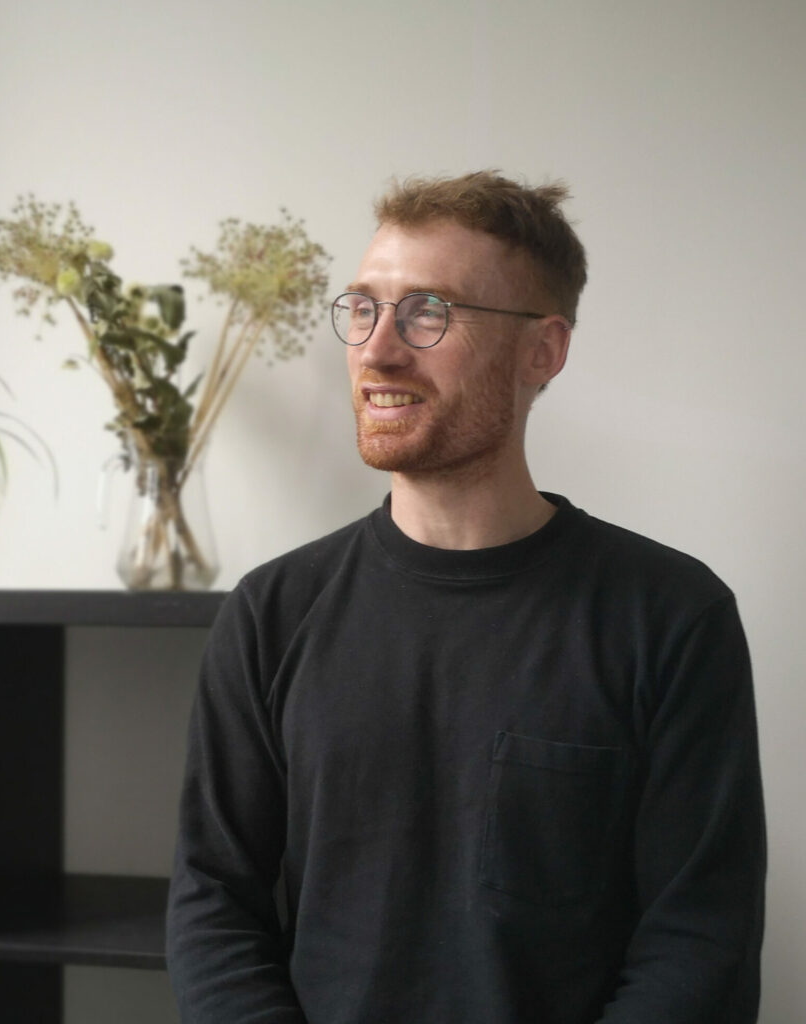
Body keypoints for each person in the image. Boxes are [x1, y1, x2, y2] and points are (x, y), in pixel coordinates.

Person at [165, 171, 766, 1023]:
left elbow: (700, 937)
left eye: (427, 313)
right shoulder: (271, 614)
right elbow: (212, 901)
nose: (377, 349)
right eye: (364, 308)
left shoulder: (670, 619)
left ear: (542, 352)